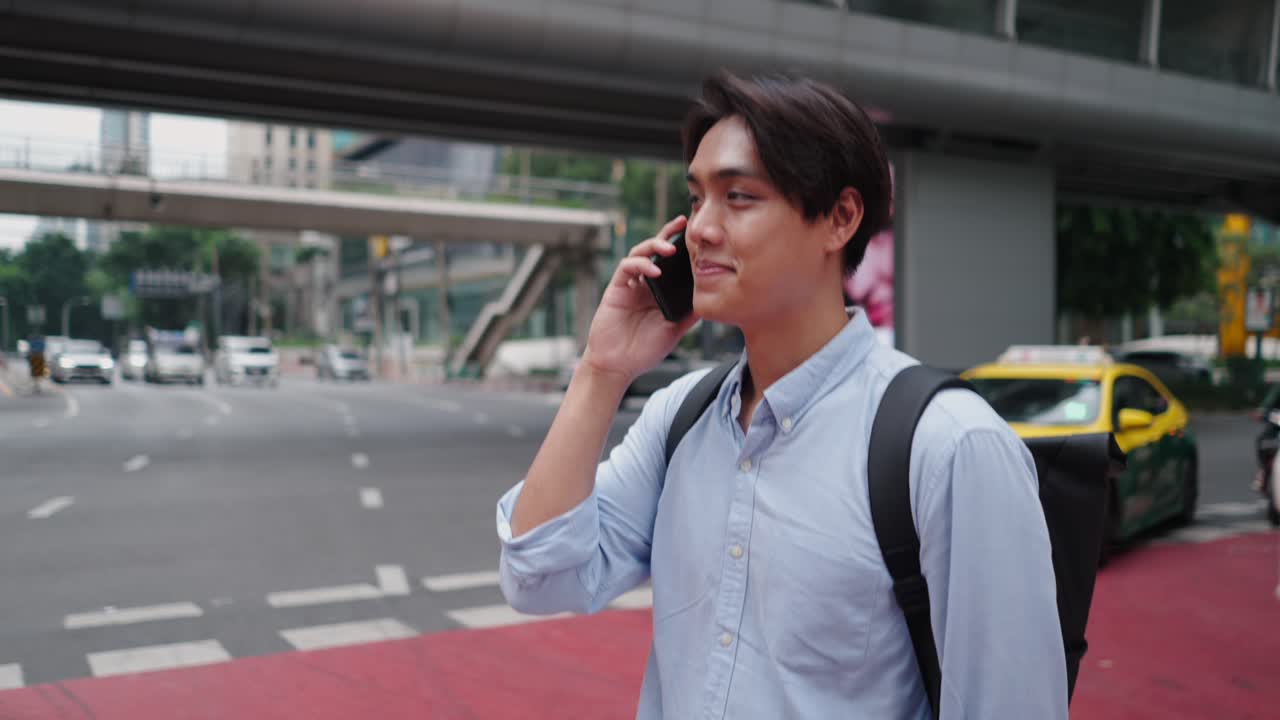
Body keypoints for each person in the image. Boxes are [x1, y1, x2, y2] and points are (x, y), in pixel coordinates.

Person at [495, 72, 1066, 719]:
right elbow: (537, 578)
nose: (700, 230)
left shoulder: (950, 446)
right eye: (696, 197)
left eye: (738, 196)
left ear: (840, 219)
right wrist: (602, 369)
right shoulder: (681, 420)